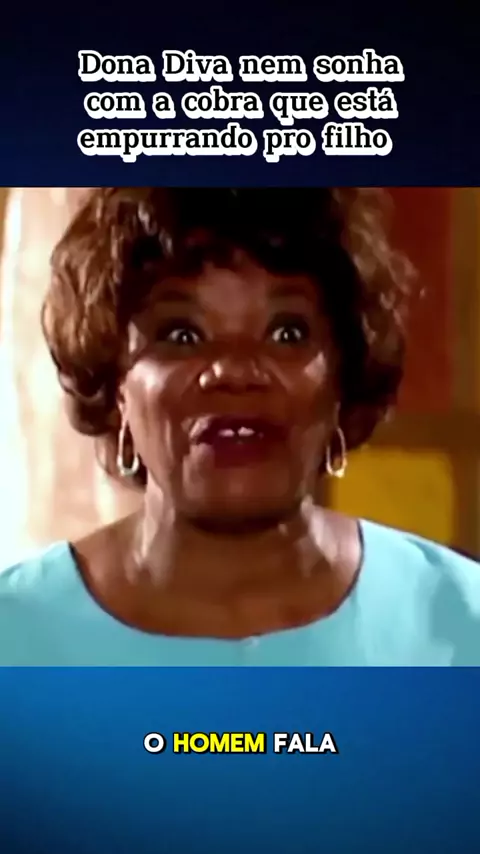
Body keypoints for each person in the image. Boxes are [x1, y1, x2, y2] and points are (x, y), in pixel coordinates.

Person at [1, 187, 479, 666]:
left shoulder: (460, 621)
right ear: (116, 387)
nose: (234, 370)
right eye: (182, 334)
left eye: (286, 332)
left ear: (343, 377)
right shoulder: (16, 631)